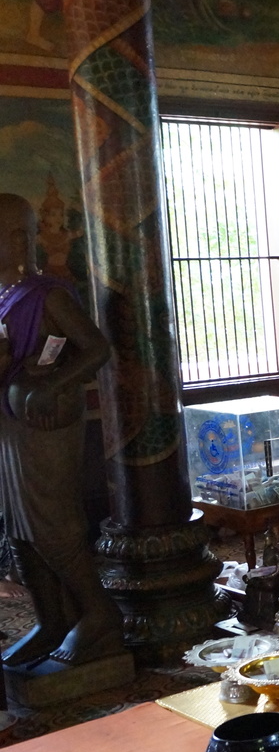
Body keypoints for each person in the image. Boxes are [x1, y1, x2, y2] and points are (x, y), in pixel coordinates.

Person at [0, 193, 123, 669]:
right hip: (11, 428)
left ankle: (99, 614)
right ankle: (51, 619)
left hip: (45, 426)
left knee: (54, 527)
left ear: (18, 239)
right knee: (20, 530)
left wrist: (53, 384)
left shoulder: (46, 295)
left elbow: (96, 349)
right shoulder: (5, 296)